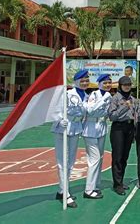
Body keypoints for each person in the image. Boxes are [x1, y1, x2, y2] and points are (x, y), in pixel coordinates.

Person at [51, 69, 89, 208]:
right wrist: (60, 120)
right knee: (62, 162)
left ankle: (62, 190)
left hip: (75, 128)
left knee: (71, 161)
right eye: (82, 81)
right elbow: (56, 109)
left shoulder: (85, 95)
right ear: (76, 82)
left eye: (86, 80)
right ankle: (65, 194)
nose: (85, 83)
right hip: (62, 129)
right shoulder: (67, 94)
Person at [82, 74, 112, 199]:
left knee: (99, 157)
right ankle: (88, 190)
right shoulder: (94, 95)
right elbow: (90, 110)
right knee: (94, 158)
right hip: (90, 127)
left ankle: (95, 185)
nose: (107, 85)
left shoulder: (109, 95)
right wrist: (102, 102)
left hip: (102, 127)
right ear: (99, 84)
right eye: (105, 83)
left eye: (109, 82)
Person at [108, 76, 136, 195]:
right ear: (120, 86)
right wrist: (125, 107)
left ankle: (121, 180)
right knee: (118, 157)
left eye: (129, 85)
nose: (127, 87)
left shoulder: (132, 98)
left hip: (129, 128)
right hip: (118, 128)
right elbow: (112, 116)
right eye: (125, 85)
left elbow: (135, 114)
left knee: (124, 156)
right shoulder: (115, 98)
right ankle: (117, 184)